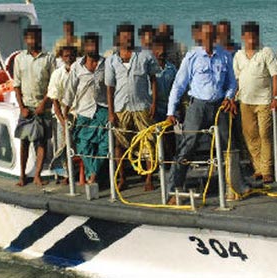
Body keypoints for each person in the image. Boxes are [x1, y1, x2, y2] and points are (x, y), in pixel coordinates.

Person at [166, 21, 237, 205]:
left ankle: (234, 186)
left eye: (212, 35)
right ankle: (174, 189)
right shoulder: (191, 57)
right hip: (197, 106)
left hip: (219, 105)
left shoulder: (225, 56)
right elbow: (179, 85)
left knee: (228, 146)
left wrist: (229, 97)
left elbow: (231, 82)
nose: (209, 39)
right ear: (199, 37)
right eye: (205, 36)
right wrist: (170, 111)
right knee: (187, 146)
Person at [106, 23, 160, 191]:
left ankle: (149, 178)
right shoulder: (112, 60)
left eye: (129, 35)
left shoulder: (145, 55)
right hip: (121, 108)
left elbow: (153, 80)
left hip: (142, 105)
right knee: (119, 144)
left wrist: (154, 103)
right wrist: (111, 112)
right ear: (118, 38)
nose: (127, 38)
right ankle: (122, 178)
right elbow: (110, 87)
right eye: (123, 36)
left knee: (148, 142)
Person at [233, 22, 277, 185]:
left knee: (265, 134)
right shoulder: (238, 55)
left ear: (258, 36)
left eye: (254, 36)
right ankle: (258, 168)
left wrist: (275, 98)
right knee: (250, 135)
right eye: (248, 36)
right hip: (245, 101)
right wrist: (232, 98)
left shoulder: (266, 52)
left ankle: (267, 171)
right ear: (243, 37)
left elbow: (275, 76)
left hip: (264, 100)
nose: (251, 39)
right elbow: (237, 79)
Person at [13, 25, 56, 187]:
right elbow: (16, 85)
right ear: (26, 40)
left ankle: (37, 175)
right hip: (27, 107)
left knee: (42, 141)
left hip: (42, 107)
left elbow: (53, 85)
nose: (33, 41)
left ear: (40, 38)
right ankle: (22, 175)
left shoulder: (49, 58)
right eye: (30, 38)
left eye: (36, 38)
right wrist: (21, 107)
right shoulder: (19, 58)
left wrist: (44, 104)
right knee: (24, 141)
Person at [63, 32, 108, 185]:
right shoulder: (77, 67)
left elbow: (112, 87)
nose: (92, 48)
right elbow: (70, 90)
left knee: (107, 143)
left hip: (103, 109)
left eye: (94, 44)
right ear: (84, 47)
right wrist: (65, 111)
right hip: (84, 110)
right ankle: (93, 174)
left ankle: (93, 174)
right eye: (89, 45)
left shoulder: (105, 64)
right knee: (83, 145)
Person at [47, 46, 77, 182]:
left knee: (77, 145)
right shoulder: (57, 74)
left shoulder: (80, 72)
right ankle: (64, 174)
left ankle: (77, 173)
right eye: (66, 56)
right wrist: (61, 119)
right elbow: (54, 98)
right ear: (61, 57)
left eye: (71, 55)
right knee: (61, 146)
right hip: (61, 115)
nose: (69, 58)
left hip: (78, 113)